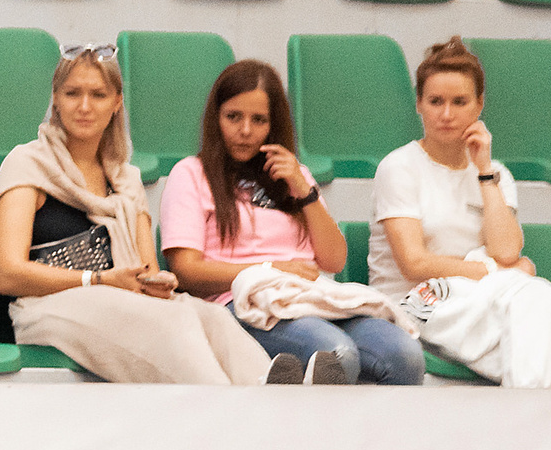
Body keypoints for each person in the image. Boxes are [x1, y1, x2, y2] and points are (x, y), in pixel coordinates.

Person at [0, 43, 305, 385]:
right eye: (72, 93)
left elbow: (146, 271)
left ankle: (271, 395)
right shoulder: (27, 164)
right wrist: (99, 280)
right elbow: (9, 275)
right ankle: (223, 403)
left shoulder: (126, 179)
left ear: (117, 102)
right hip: (44, 307)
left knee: (212, 318)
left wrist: (155, 282)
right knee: (173, 322)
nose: (84, 106)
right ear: (56, 99)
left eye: (98, 95)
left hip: (121, 301)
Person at [160, 59, 424, 386]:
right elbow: (185, 270)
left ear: (273, 125)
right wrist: (273, 269)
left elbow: (333, 259)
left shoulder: (294, 176)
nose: (245, 130)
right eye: (233, 117)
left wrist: (304, 191)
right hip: (241, 303)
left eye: (258, 120)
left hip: (311, 297)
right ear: (216, 118)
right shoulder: (190, 174)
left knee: (406, 355)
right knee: (336, 353)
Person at [371, 37, 551, 389]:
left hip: (480, 301)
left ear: (479, 105)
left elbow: (506, 250)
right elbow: (415, 264)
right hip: (413, 305)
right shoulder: (399, 167)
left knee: (537, 300)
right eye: (435, 101)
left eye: (460, 102)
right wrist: (493, 270)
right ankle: (539, 427)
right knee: (534, 314)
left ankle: (527, 421)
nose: (447, 114)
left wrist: (484, 170)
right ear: (419, 105)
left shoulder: (496, 173)